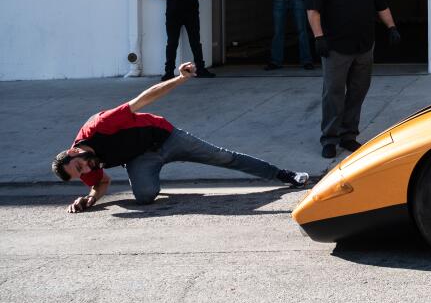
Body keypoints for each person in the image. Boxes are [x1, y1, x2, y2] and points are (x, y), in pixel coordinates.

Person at [51, 62, 308, 212]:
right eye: (80, 174)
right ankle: (149, 172)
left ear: (74, 151)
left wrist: (180, 78)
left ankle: (284, 175)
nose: (86, 170)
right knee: (144, 197)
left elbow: (144, 99)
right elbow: (101, 183)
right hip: (141, 158)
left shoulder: (100, 125)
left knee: (223, 157)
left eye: (80, 166)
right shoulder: (86, 165)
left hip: (166, 137)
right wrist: (90, 199)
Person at [306, 0, 403, 159]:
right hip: (336, 47)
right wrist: (318, 37)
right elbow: (313, 9)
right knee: (334, 93)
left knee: (358, 91)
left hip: (364, 46)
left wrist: (392, 27)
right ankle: (329, 138)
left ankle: (348, 134)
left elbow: (381, 5)